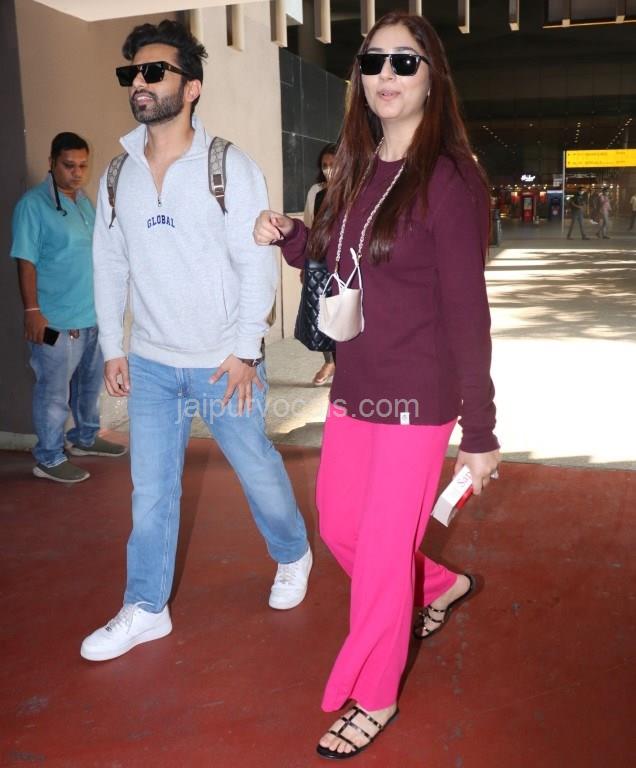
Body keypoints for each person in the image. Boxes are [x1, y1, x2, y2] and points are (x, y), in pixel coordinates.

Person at [254, 11, 500, 760]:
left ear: (431, 78)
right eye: (373, 62)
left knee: (385, 557)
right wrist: (294, 238)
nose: (386, 75)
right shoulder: (358, 169)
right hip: (357, 386)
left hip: (419, 397)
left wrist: (480, 431)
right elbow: (343, 260)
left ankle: (375, 692)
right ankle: (438, 586)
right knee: (340, 529)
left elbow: (469, 312)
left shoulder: (450, 179)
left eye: (404, 61)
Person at [81, 20, 312, 662]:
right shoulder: (117, 174)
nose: (140, 82)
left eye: (154, 71)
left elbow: (255, 264)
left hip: (222, 362)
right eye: (132, 72)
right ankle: (145, 607)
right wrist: (113, 347)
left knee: (256, 466)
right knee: (151, 490)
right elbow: (110, 264)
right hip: (152, 364)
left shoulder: (228, 167)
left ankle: (293, 553)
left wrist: (246, 351)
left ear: (192, 88)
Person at [10, 132, 127, 484]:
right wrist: (32, 312)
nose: (76, 173)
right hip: (55, 322)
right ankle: (48, 457)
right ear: (52, 163)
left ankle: (85, 437)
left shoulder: (83, 202)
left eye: (82, 166)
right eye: (68, 165)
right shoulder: (33, 205)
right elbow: (26, 260)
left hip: (91, 316)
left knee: (89, 387)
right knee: (53, 393)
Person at [303, 143, 337, 385]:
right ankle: (330, 360)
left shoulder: (356, 190)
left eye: (333, 165)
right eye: (325, 165)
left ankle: (344, 364)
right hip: (320, 262)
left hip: (348, 265)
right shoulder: (317, 192)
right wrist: (307, 266)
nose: (328, 170)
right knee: (321, 314)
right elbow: (309, 229)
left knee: (344, 314)